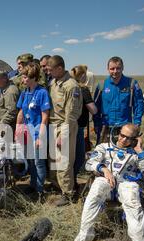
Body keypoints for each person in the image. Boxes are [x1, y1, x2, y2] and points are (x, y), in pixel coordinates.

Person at [73, 124, 144, 241]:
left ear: (135, 139)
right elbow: (89, 164)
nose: (123, 139)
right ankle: (86, 232)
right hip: (106, 181)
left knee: (132, 199)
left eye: (128, 138)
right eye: (122, 135)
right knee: (96, 189)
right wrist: (103, 169)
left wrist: (139, 150)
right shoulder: (104, 147)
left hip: (127, 183)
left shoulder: (137, 153)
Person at [47, 55, 83, 207]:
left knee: (64, 162)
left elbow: (72, 113)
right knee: (55, 160)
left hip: (65, 126)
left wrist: (64, 134)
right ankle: (59, 186)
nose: (48, 72)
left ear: (60, 68)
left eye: (50, 70)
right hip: (53, 125)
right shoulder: (54, 82)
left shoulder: (71, 86)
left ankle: (68, 194)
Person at [15, 63, 51, 201]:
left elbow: (45, 116)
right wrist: (17, 129)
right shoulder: (24, 93)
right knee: (30, 161)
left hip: (37, 130)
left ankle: (40, 190)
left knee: (38, 162)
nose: (23, 80)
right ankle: (32, 184)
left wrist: (40, 137)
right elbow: (20, 112)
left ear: (33, 77)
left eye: (25, 77)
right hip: (26, 130)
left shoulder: (42, 93)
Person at [93, 57, 144, 144]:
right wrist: (97, 124)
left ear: (122, 68)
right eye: (112, 69)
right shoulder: (102, 85)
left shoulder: (131, 84)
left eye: (118, 68)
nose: (115, 71)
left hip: (125, 127)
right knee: (104, 153)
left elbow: (139, 104)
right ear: (108, 69)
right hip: (106, 126)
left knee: (124, 154)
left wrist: (137, 123)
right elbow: (95, 107)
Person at [70, 65, 98, 189]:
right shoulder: (83, 90)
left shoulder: (67, 87)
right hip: (78, 127)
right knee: (79, 156)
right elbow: (93, 109)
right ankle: (73, 181)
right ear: (82, 76)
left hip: (64, 126)